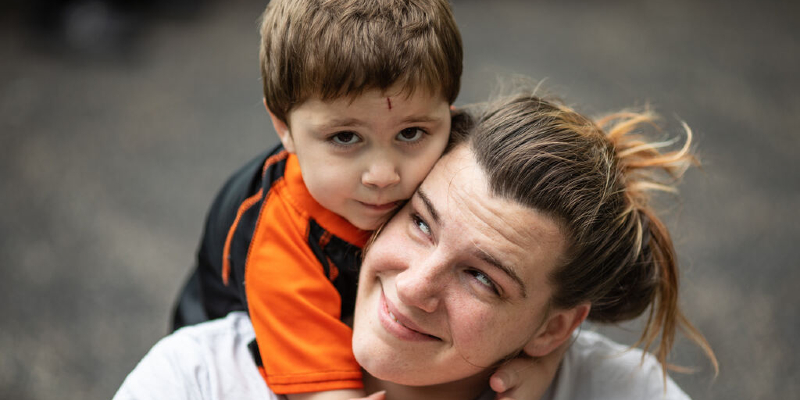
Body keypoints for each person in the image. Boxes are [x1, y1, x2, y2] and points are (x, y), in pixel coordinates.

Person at [118, 91, 717, 400]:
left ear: (553, 330)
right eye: (422, 224)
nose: (412, 286)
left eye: (483, 278)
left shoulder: (618, 388)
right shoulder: (196, 378)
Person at [170, 1, 544, 399]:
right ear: (284, 127)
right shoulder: (279, 238)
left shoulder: (454, 145)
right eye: (345, 138)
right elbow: (323, 391)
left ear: (450, 111)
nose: (383, 175)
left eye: (411, 132)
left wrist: (543, 358)